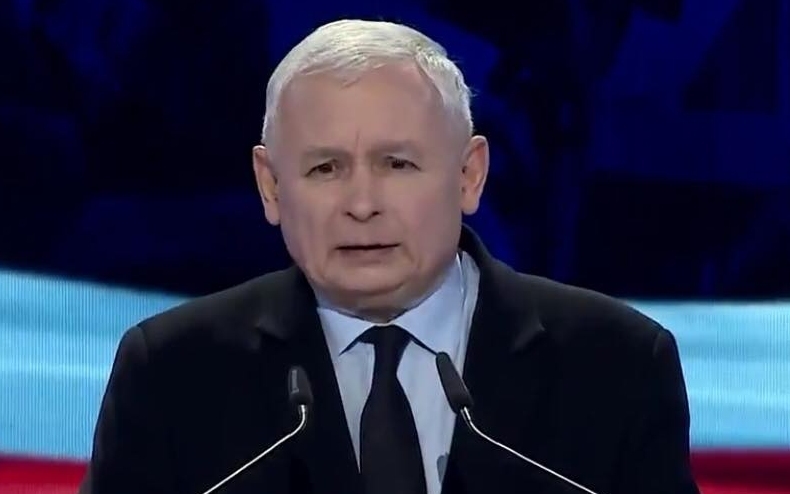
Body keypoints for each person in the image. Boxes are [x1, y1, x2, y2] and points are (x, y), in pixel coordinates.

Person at [79, 18, 700, 494]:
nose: (361, 204)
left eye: (397, 164)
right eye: (325, 168)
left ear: (469, 175)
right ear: (271, 187)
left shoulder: (618, 364)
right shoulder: (171, 374)